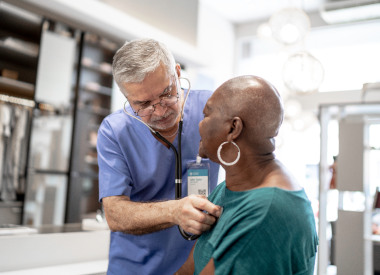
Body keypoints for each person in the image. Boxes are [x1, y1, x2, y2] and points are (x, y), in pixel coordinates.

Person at [97, 38, 222, 274]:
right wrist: (173, 211)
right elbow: (114, 215)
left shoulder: (211, 107)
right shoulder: (114, 131)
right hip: (134, 267)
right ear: (127, 98)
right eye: (143, 104)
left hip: (197, 264)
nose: (161, 110)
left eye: (167, 93)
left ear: (177, 72)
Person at [176, 75, 319, 275]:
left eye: (206, 115)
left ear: (233, 128)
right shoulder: (229, 189)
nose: (199, 125)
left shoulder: (265, 212)